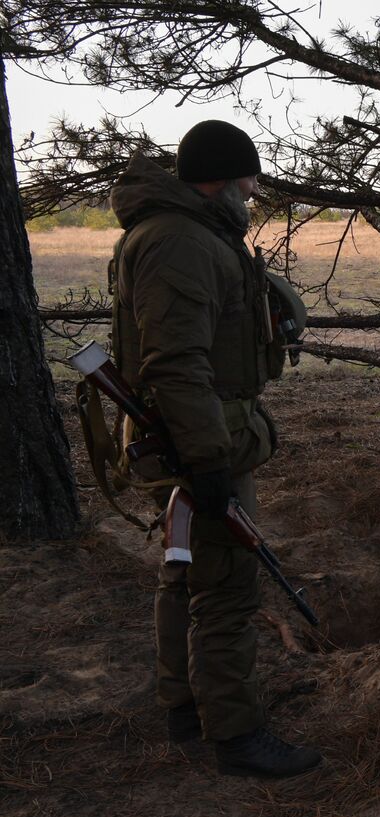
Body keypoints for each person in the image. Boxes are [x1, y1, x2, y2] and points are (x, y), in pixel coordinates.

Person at [110, 120, 320, 778]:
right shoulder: (181, 242)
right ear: (224, 179)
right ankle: (235, 732)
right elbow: (175, 364)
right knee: (226, 586)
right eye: (249, 178)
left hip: (186, 437)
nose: (254, 190)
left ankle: (185, 707)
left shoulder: (180, 234)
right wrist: (206, 464)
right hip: (197, 443)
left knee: (185, 571)